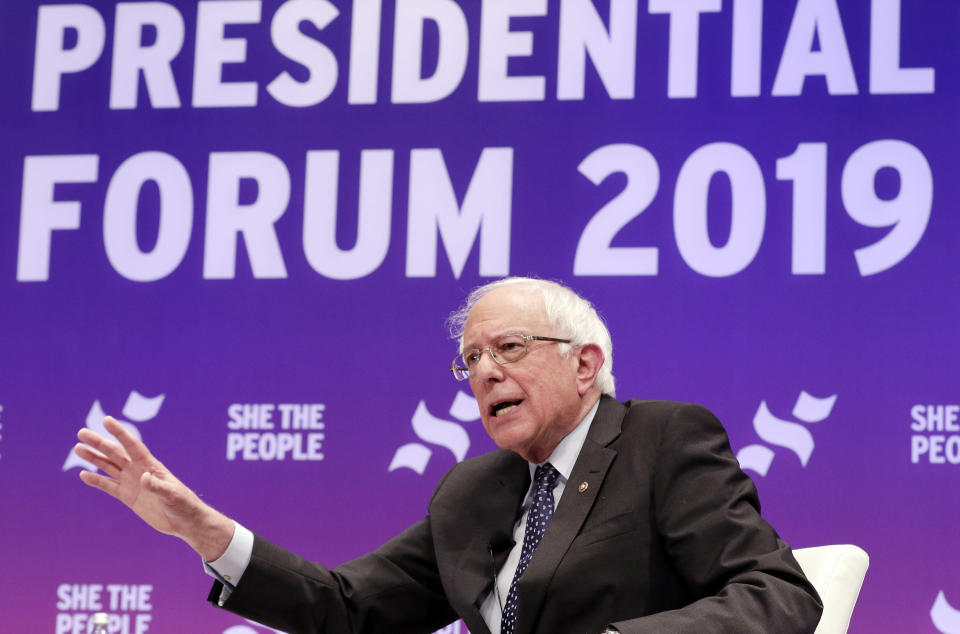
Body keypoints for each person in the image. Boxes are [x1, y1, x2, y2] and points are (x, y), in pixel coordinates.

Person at [75, 277, 822, 634]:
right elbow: (347, 606)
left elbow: (777, 595)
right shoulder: (474, 488)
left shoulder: (662, 440)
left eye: (511, 349)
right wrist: (208, 535)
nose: (486, 372)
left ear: (586, 364)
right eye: (471, 360)